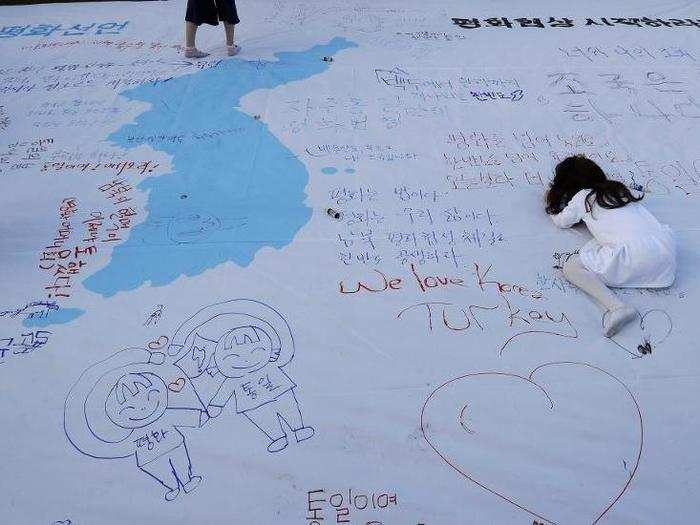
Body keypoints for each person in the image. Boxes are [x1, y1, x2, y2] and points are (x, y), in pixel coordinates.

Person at [545, 155, 676, 337]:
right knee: (601, 241)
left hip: (636, 257)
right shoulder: (622, 190)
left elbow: (562, 221)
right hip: (666, 255)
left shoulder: (582, 197)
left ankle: (617, 307)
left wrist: (550, 205)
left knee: (572, 267)